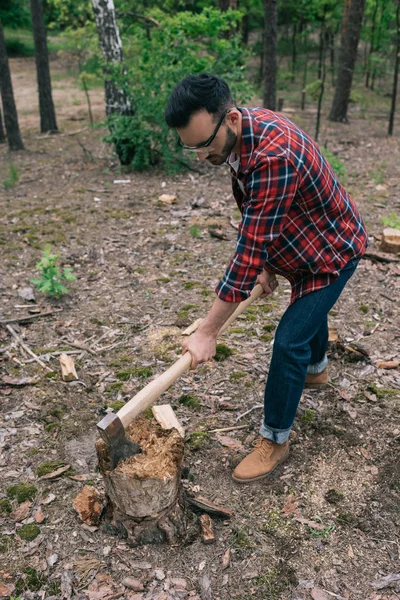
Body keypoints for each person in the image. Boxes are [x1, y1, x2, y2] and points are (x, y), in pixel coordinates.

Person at [164, 74, 368, 483]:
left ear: (233, 119)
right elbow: (258, 216)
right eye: (191, 148)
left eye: (205, 145)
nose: (201, 157)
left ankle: (275, 437)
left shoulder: (274, 156)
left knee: (289, 339)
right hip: (303, 242)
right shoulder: (245, 134)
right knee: (305, 318)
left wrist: (208, 332)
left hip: (331, 252)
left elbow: (248, 249)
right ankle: (317, 368)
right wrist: (265, 264)